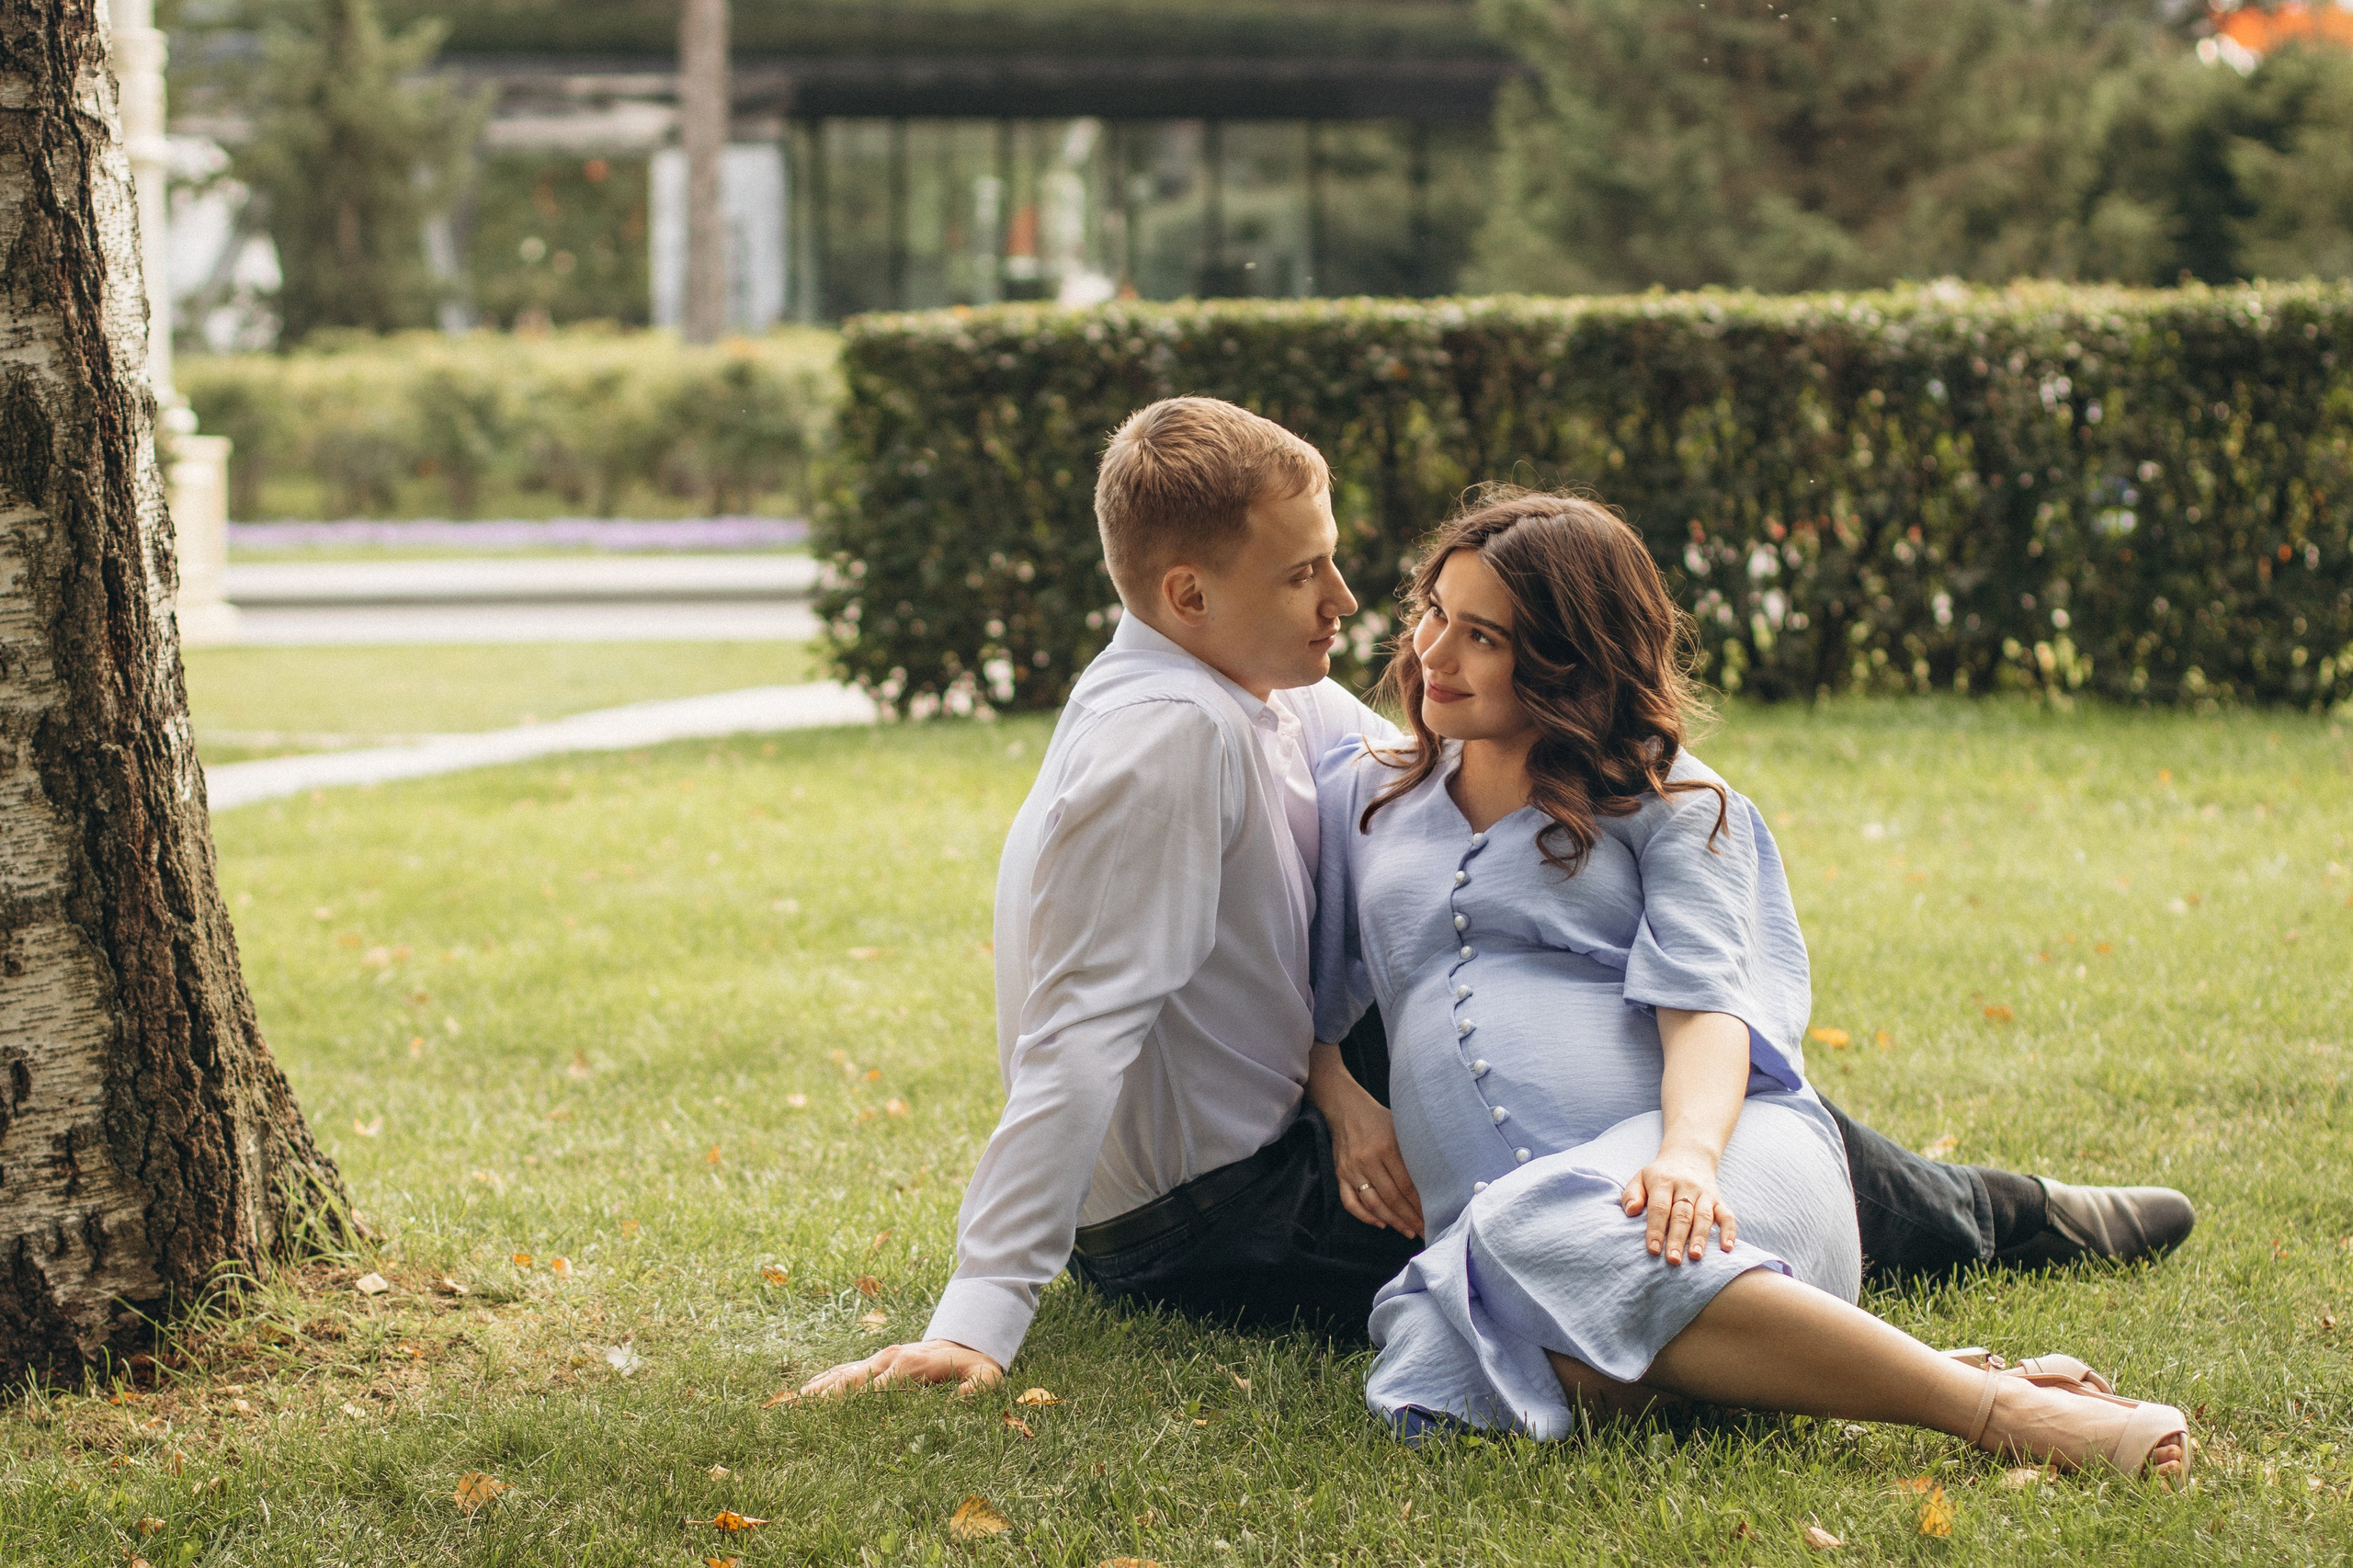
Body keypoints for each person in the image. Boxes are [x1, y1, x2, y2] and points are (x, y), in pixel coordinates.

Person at [800, 398, 2195, 1409]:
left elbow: (1442, 767)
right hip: (1221, 1207)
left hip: (1309, 1122)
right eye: (1306, 574)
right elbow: (1084, 1027)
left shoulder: (1256, 689)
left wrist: (1350, 1080)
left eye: (1343, 563)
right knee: (1551, 1258)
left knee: (1673, 1102)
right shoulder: (1170, 739)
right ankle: (1972, 1276)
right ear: (1187, 592)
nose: (1354, 603)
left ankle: (1970, 1208)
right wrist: (981, 1314)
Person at [1303, 487, 2186, 1480]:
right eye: (1431, 611)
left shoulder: (1678, 801)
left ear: (1568, 658)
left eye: (1481, 636)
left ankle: (1995, 1409)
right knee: (1516, 1356)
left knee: (1524, 1243)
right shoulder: (1366, 793)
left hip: (1725, 1167)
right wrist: (1338, 1094)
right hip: (1512, 1228)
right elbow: (1304, 981)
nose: (1431, 651)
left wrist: (1687, 1152)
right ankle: (1911, 1364)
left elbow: (1708, 1001)